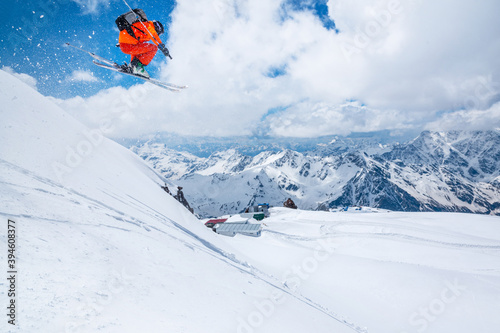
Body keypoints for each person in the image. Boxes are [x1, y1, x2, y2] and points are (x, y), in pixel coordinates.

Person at [117, 10, 170, 78]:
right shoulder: (148, 26)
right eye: (159, 33)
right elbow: (153, 34)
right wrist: (161, 46)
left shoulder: (141, 29)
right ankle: (137, 67)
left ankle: (133, 66)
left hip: (125, 46)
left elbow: (130, 36)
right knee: (153, 48)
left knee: (141, 49)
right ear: (157, 28)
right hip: (127, 45)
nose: (158, 35)